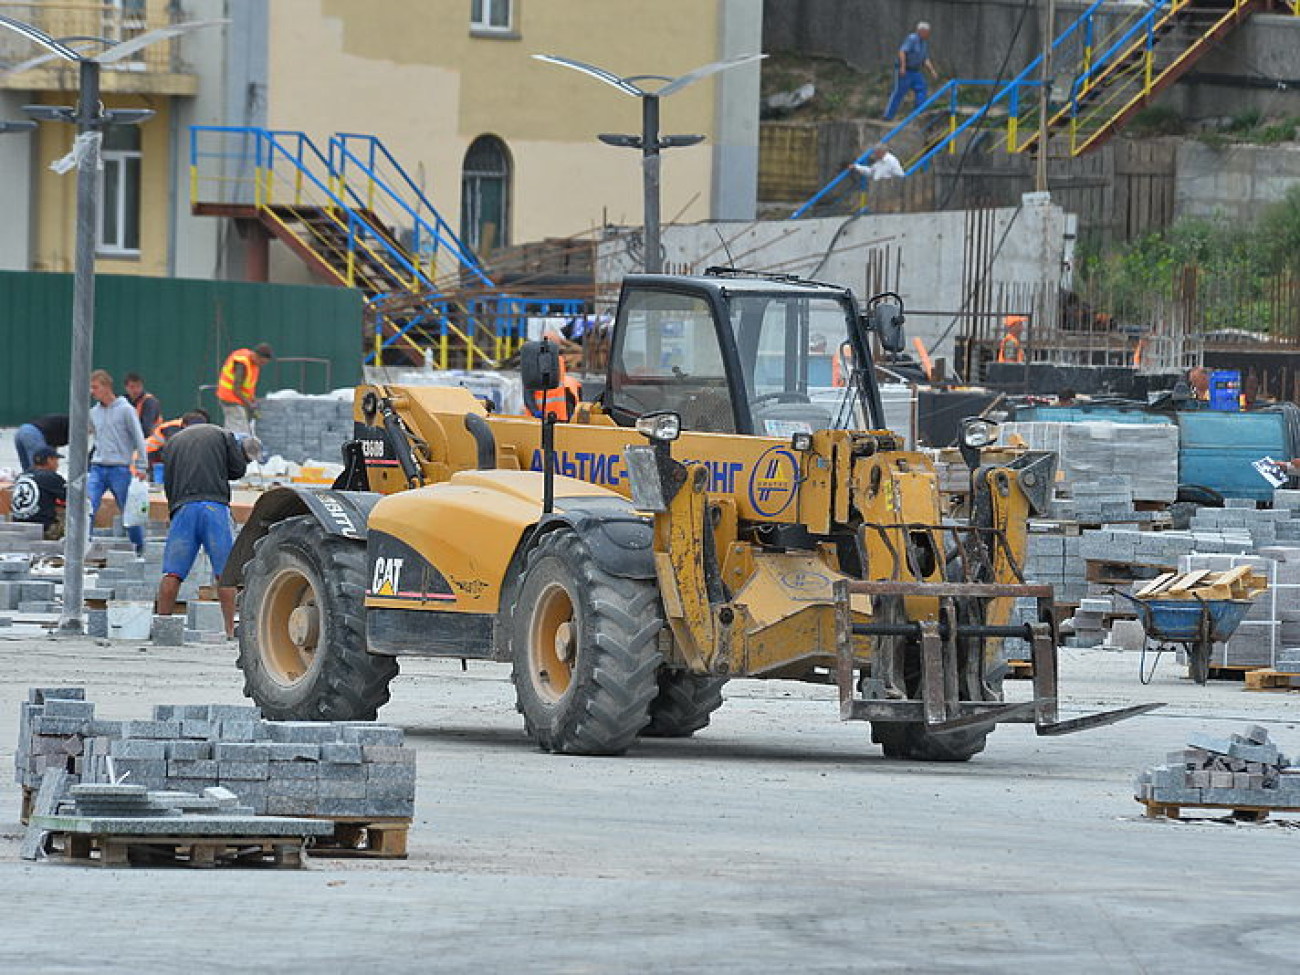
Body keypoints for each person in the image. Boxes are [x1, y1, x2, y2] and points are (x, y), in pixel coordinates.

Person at [154, 412, 257, 638]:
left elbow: (167, 483)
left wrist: (175, 511)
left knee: (173, 573)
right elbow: (237, 469)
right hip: (214, 508)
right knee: (225, 574)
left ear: (183, 424)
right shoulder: (221, 435)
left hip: (183, 509)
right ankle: (230, 630)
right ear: (208, 421)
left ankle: (163, 627)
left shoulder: (172, 443)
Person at [88, 369, 149, 554]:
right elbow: (92, 437)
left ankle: (139, 547)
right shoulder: (94, 413)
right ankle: (84, 545)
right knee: (88, 506)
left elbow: (139, 438)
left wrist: (142, 466)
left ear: (107, 387)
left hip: (119, 469)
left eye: (95, 387)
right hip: (98, 467)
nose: (92, 392)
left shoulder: (125, 410)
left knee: (130, 512)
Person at [884, 21, 939, 121]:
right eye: (927, 32)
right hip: (906, 70)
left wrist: (932, 71)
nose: (928, 34)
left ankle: (918, 114)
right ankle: (888, 116)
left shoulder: (924, 43)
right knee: (899, 92)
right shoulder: (912, 39)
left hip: (915, 71)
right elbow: (902, 52)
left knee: (922, 88)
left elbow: (925, 58)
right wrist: (903, 67)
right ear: (921, 31)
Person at [10, 447, 66, 541]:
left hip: (18, 527)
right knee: (73, 512)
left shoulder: (21, 476)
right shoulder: (51, 477)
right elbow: (73, 498)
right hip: (44, 530)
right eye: (56, 460)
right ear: (49, 460)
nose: (57, 464)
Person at [216, 343, 274, 434]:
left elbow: (247, 387)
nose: (261, 365)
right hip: (230, 398)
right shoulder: (242, 364)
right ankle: (233, 447)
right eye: (262, 362)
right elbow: (236, 389)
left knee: (236, 427)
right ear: (256, 355)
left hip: (236, 399)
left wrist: (252, 399)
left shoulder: (253, 364)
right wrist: (250, 404)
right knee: (239, 430)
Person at [123, 372, 162, 437]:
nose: (136, 390)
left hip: (151, 442)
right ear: (126, 388)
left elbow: (146, 429)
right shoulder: (124, 401)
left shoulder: (149, 402)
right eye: (132, 387)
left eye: (138, 386)